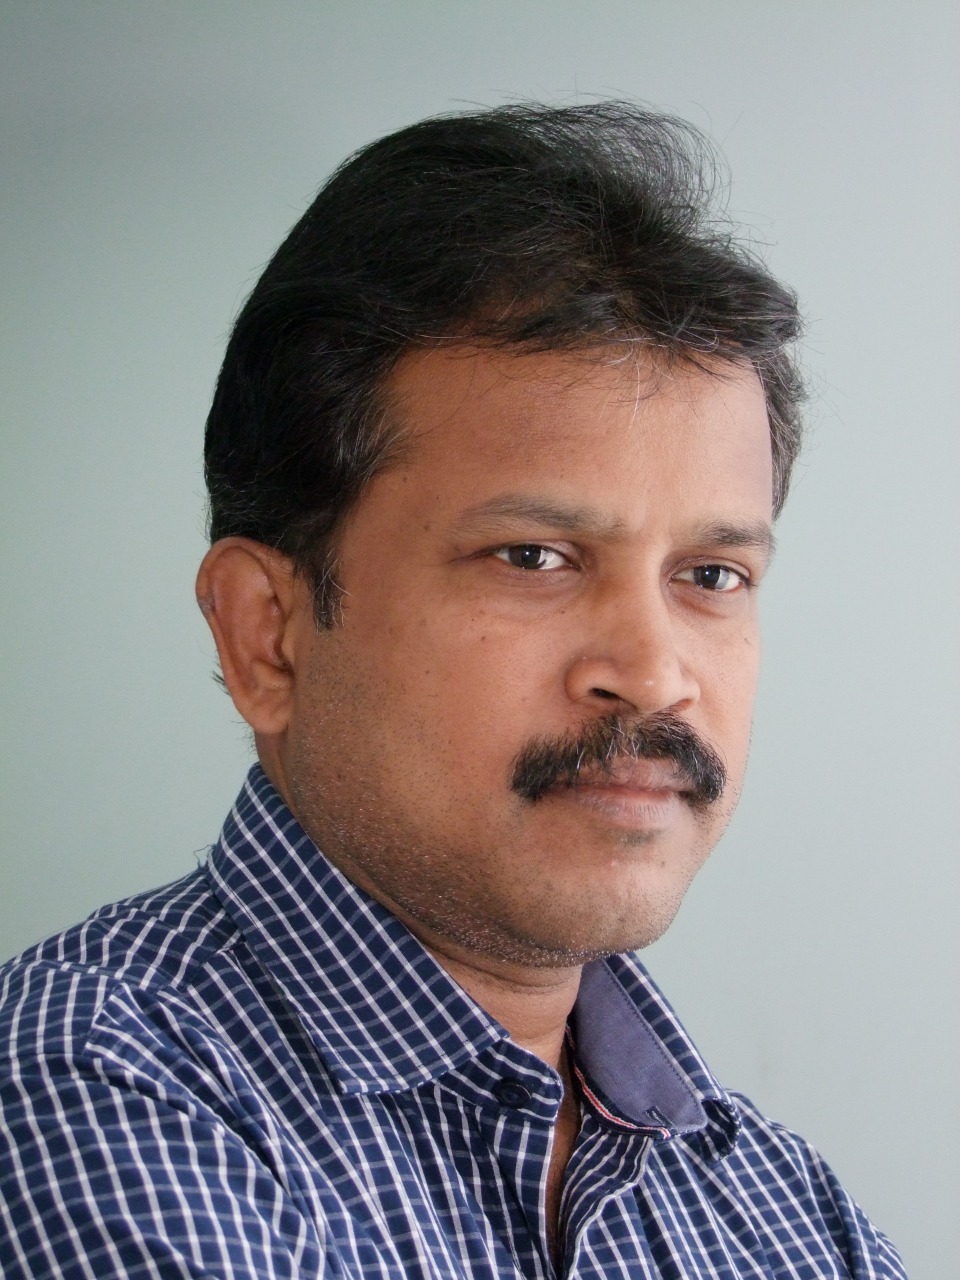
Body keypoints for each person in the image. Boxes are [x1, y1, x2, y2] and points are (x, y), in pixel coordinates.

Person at [0, 103, 905, 1279]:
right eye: (533, 556)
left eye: (711, 574)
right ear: (268, 636)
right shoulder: (89, 1087)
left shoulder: (781, 1204)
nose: (654, 672)